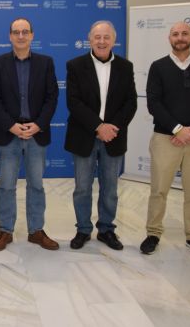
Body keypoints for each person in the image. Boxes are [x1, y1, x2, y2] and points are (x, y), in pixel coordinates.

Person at [141, 21, 190, 258]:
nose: (180, 37)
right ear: (169, 38)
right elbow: (154, 103)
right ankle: (153, 233)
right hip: (166, 138)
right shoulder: (158, 67)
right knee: (159, 190)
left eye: (185, 33)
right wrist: (176, 129)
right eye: (175, 34)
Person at [64, 21, 137, 251]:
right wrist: (98, 126)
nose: (102, 41)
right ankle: (83, 230)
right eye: (97, 37)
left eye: (106, 37)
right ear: (90, 39)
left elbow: (131, 102)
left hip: (113, 137)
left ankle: (106, 229)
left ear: (114, 40)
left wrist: (111, 127)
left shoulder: (125, 67)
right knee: (82, 187)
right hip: (84, 135)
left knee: (110, 188)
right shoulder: (75, 65)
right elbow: (74, 102)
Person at [0, 18, 59, 252]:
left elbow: (52, 97)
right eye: (16, 32)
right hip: (9, 134)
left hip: (36, 134)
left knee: (36, 185)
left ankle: (36, 230)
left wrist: (38, 125)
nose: (21, 36)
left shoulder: (45, 63)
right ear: (9, 36)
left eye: (25, 32)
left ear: (31, 35)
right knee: (6, 185)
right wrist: (11, 125)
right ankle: (5, 230)